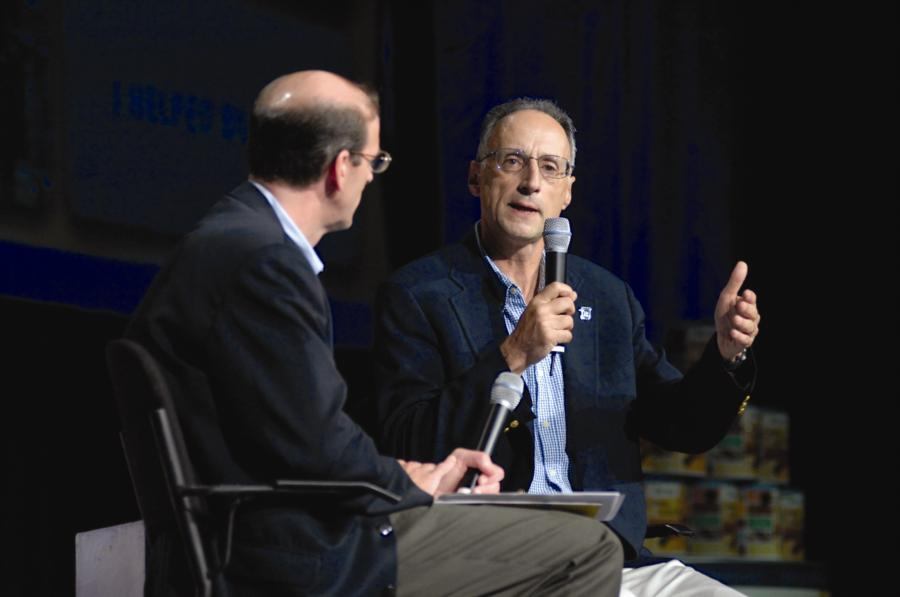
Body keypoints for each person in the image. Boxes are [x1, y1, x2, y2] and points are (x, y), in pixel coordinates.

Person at [124, 72, 623, 596]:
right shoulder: (266, 263)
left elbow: (299, 432)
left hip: (258, 532)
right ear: (343, 168)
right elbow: (314, 445)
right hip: (293, 552)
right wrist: (407, 483)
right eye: (374, 162)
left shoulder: (229, 237)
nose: (370, 179)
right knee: (587, 546)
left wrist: (402, 473)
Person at [373, 98, 760, 595]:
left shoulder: (606, 297)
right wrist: (511, 352)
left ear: (567, 194)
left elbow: (681, 424)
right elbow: (407, 441)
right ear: (476, 178)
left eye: (551, 168)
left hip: (610, 557)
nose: (531, 181)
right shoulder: (418, 294)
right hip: (490, 559)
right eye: (512, 161)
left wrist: (726, 356)